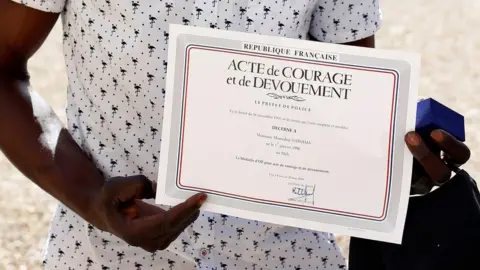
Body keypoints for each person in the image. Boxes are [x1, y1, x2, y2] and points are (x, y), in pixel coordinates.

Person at [0, 0, 478, 269]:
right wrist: (90, 200)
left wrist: (399, 168)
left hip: (288, 257)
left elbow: (349, 107)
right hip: (105, 256)